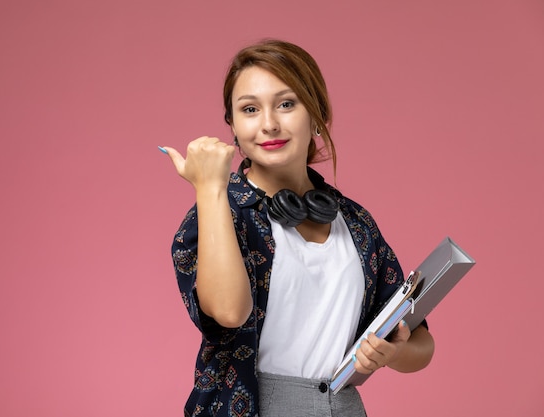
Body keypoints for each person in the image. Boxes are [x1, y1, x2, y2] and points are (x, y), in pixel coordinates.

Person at [160, 39, 435, 417]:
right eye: (250, 109)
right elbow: (228, 312)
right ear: (233, 126)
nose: (269, 123)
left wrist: (394, 351)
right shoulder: (220, 213)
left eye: (286, 104)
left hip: (343, 407)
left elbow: (420, 341)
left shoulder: (355, 224)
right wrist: (210, 189)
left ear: (317, 113)